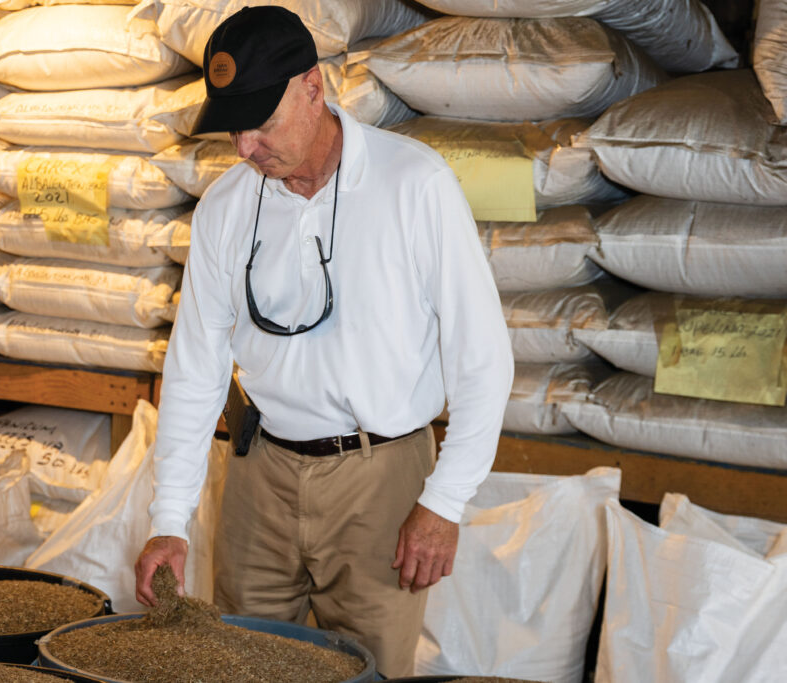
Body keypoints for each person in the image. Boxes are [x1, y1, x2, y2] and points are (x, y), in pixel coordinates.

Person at [134, 6, 513, 677]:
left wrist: (444, 501)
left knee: (369, 667)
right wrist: (170, 518)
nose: (246, 146)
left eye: (262, 122)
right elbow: (196, 366)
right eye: (234, 127)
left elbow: (483, 358)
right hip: (262, 476)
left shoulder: (412, 185)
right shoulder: (225, 207)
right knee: (242, 662)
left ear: (313, 87)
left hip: (381, 480)